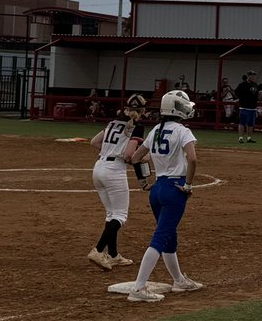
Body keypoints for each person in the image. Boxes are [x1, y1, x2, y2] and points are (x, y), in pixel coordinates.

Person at [126, 89, 204, 302]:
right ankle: (139, 288)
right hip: (174, 189)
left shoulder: (155, 130)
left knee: (169, 235)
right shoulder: (183, 131)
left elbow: (135, 157)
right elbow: (193, 159)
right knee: (160, 237)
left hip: (158, 188)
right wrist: (188, 185)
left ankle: (179, 280)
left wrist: (143, 182)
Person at [87, 94, 149, 270]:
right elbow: (130, 155)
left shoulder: (113, 123)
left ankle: (113, 255)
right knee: (120, 216)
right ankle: (98, 250)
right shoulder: (137, 127)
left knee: (111, 214)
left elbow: (94, 142)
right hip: (114, 171)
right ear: (143, 111)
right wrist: (137, 159)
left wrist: (111, 151)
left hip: (99, 167)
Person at [235, 71, 259, 143]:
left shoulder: (255, 85)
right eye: (251, 75)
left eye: (253, 75)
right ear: (248, 76)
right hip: (244, 107)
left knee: (251, 123)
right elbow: (236, 92)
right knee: (242, 122)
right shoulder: (243, 84)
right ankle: (241, 138)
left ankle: (249, 138)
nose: (252, 77)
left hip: (253, 107)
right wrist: (242, 99)